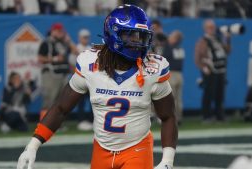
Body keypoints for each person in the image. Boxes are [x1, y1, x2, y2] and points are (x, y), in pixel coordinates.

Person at [17, 4, 178, 169]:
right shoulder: (90, 65)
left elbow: (168, 116)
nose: (138, 42)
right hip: (102, 149)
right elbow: (60, 108)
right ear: (114, 34)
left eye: (141, 36)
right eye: (130, 36)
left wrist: (167, 160)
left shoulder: (153, 70)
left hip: (137, 148)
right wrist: (33, 145)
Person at [38, 22, 78, 119]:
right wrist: (55, 59)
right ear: (53, 31)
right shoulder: (46, 42)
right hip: (51, 74)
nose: (60, 33)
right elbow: (40, 58)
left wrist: (69, 41)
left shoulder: (64, 43)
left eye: (61, 31)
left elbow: (75, 51)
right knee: (49, 100)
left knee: (60, 101)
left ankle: (54, 123)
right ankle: (44, 123)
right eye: (58, 31)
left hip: (63, 74)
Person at [195, 19, 231, 122]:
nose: (212, 29)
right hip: (210, 70)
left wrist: (228, 39)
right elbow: (197, 58)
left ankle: (219, 115)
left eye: (213, 27)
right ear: (205, 29)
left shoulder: (218, 39)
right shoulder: (202, 41)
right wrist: (204, 68)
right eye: (210, 27)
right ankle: (206, 116)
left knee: (220, 94)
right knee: (209, 93)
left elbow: (227, 51)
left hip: (221, 70)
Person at [162, 30, 185, 125]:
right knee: (178, 98)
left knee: (171, 98)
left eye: (171, 36)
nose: (169, 37)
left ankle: (172, 118)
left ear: (175, 39)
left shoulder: (169, 48)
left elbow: (164, 57)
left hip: (172, 74)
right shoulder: (180, 49)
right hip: (179, 75)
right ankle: (178, 117)